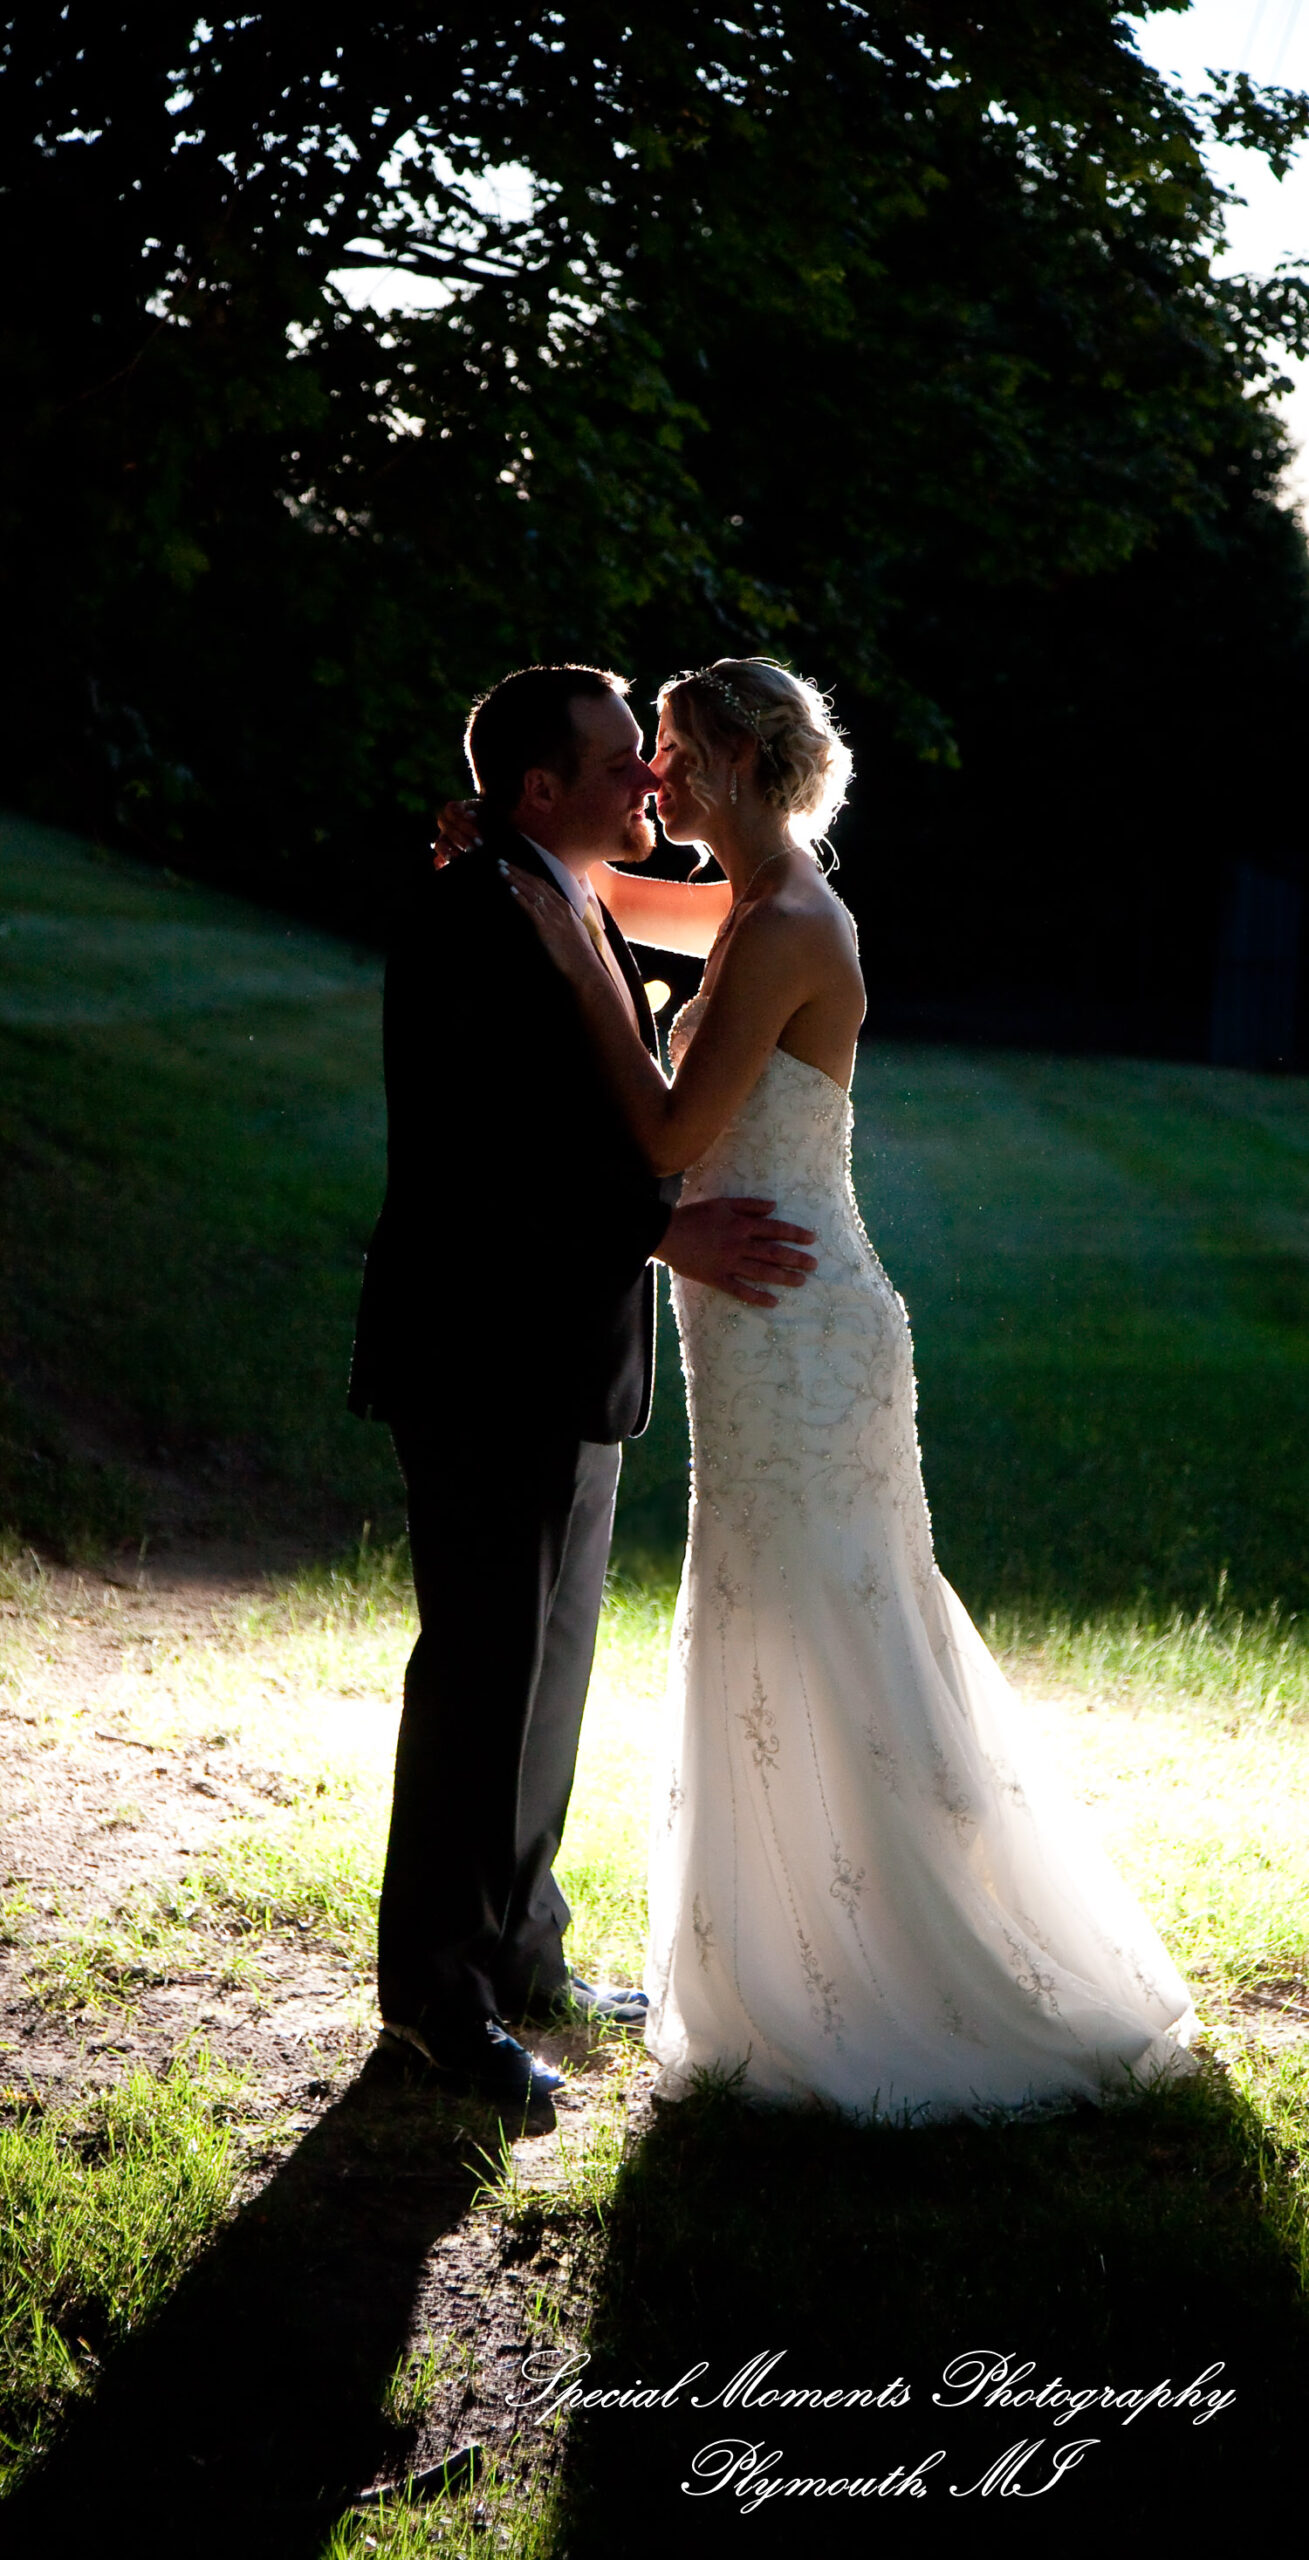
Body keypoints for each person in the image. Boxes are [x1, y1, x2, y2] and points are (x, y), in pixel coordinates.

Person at [506, 655, 1197, 2121]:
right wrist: (546, 883)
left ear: (744, 768)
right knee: (783, 1601)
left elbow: (669, 1130)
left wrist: (576, 968)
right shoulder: (759, 902)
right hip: (766, 1319)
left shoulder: (787, 924)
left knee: (824, 1610)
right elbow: (630, 906)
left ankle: (891, 1967)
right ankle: (799, 1942)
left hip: (791, 1324)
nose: (653, 780)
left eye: (677, 755)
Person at [347, 662, 819, 2115]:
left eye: (654, 756)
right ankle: (439, 1998)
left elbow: (726, 940)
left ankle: (519, 1948)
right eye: (625, 760)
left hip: (570, 1357)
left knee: (543, 1674)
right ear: (541, 786)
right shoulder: (473, 915)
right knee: (480, 1677)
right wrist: (656, 1228)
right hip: (482, 1351)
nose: (648, 782)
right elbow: (469, 1163)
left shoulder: (566, 888)